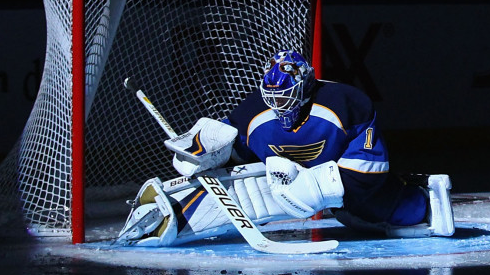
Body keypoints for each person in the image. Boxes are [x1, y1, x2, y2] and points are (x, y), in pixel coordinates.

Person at [117, 50, 454, 246]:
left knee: (408, 214)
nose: (279, 105)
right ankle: (167, 218)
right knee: (244, 192)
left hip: (349, 188)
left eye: (285, 96)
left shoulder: (345, 103)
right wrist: (206, 154)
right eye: (272, 97)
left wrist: (317, 188)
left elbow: (368, 171)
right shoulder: (251, 113)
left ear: (306, 87)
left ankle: (419, 198)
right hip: (283, 181)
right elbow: (237, 164)